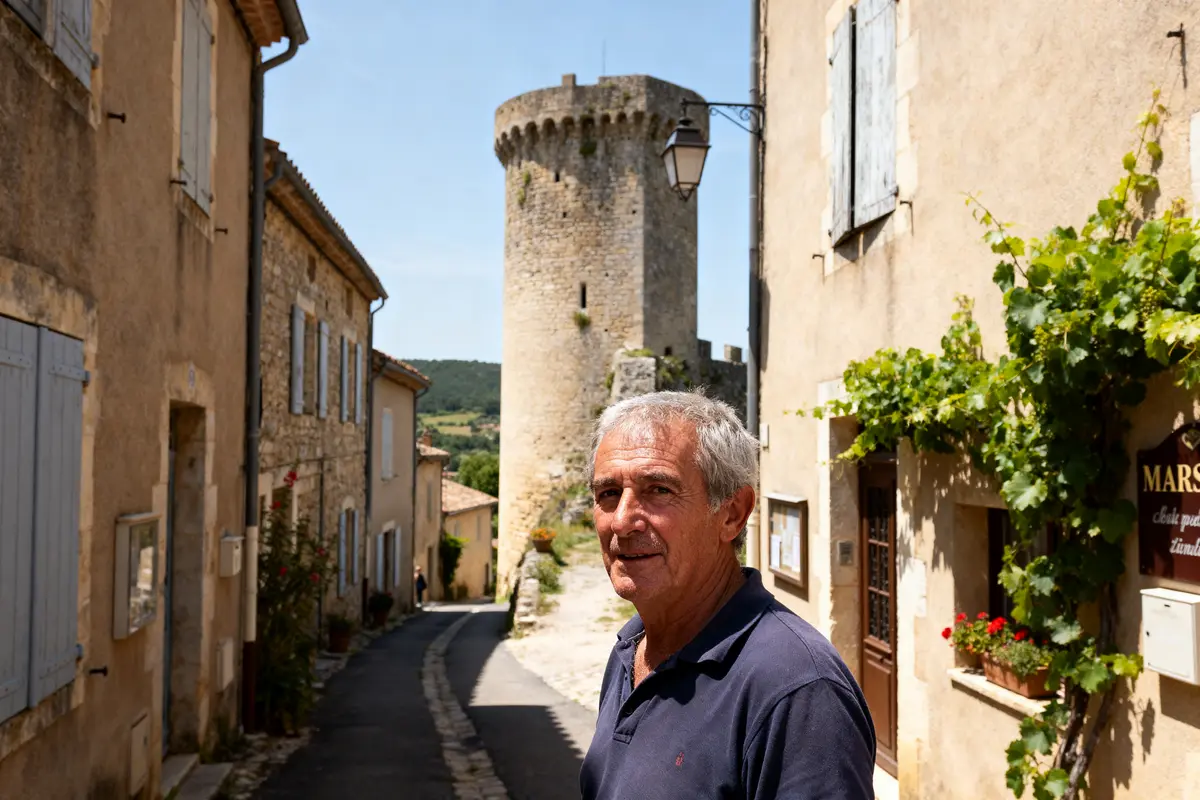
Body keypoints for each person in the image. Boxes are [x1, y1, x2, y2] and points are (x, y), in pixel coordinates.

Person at [580, 390, 876, 799]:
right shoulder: (630, 652)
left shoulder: (799, 691)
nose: (623, 521)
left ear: (732, 514)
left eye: (659, 490)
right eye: (608, 494)